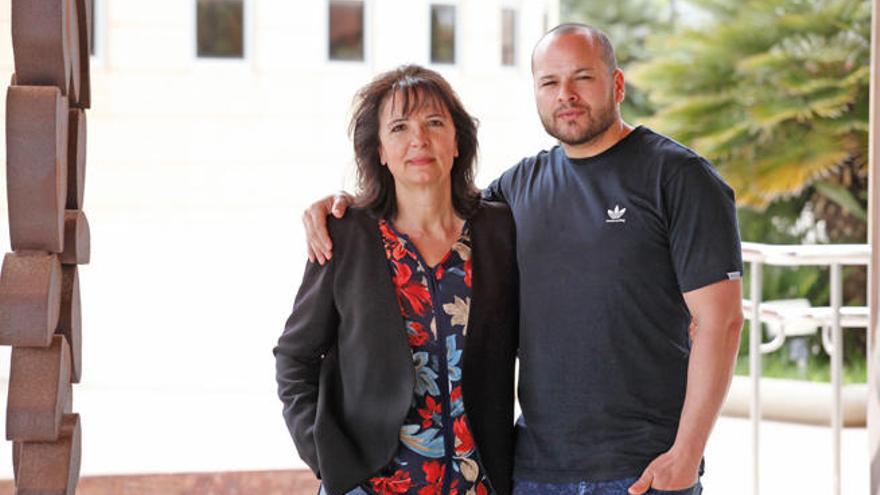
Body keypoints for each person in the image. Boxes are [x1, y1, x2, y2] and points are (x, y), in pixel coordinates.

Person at [302, 24, 745, 495]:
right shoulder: (516, 190)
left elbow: (721, 324)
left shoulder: (678, 177)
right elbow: (429, 203)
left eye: (583, 79)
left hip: (640, 470)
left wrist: (687, 454)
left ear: (617, 85)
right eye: (550, 83)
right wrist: (345, 206)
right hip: (533, 471)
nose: (566, 95)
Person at [274, 65, 519, 495]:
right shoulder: (346, 234)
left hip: (476, 483)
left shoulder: (499, 230)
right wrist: (324, 456)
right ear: (381, 150)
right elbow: (295, 357)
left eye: (434, 123)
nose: (419, 140)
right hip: (371, 485)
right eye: (400, 127)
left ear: (457, 141)